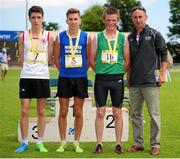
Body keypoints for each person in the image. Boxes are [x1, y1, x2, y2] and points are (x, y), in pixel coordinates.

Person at [126, 6, 168, 155]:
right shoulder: (129, 37)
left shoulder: (155, 34)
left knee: (154, 114)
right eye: (135, 17)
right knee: (136, 115)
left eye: (140, 17)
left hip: (151, 81)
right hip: (134, 82)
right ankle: (138, 144)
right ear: (132, 19)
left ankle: (155, 145)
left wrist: (163, 74)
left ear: (146, 17)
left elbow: (164, 54)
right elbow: (129, 60)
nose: (138, 20)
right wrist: (128, 78)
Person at [90, 7, 130, 154]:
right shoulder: (97, 37)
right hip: (101, 78)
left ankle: (118, 144)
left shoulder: (122, 38)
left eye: (114, 20)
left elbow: (127, 61)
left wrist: (118, 73)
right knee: (100, 112)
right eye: (108, 20)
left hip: (117, 79)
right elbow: (91, 59)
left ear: (117, 20)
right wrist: (101, 71)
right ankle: (99, 143)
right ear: (104, 20)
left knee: (117, 112)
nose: (111, 23)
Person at [15, 6, 53, 153]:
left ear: (42, 18)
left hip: (42, 77)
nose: (36, 20)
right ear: (29, 19)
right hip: (26, 77)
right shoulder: (23, 36)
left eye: (39, 17)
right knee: (24, 110)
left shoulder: (49, 36)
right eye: (33, 17)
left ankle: (39, 142)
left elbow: (49, 58)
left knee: (41, 111)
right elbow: (21, 59)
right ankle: (24, 142)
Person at [54, 8, 91, 153]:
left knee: (78, 112)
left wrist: (82, 71)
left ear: (80, 20)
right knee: (63, 111)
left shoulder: (86, 37)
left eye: (76, 19)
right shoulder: (60, 36)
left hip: (80, 78)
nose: (73, 22)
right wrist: (63, 71)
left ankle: (76, 142)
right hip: (64, 78)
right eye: (71, 19)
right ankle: (63, 142)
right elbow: (56, 59)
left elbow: (89, 58)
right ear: (66, 21)